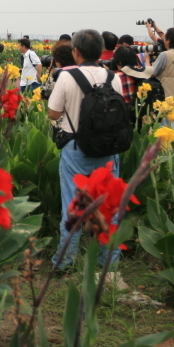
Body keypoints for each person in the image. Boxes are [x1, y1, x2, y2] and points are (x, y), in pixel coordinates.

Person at [47, 29, 124, 269]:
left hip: (76, 148)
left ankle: (65, 262)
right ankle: (108, 262)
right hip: (108, 149)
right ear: (101, 52)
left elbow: (53, 112)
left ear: (75, 52)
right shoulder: (114, 78)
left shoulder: (67, 77)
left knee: (73, 207)